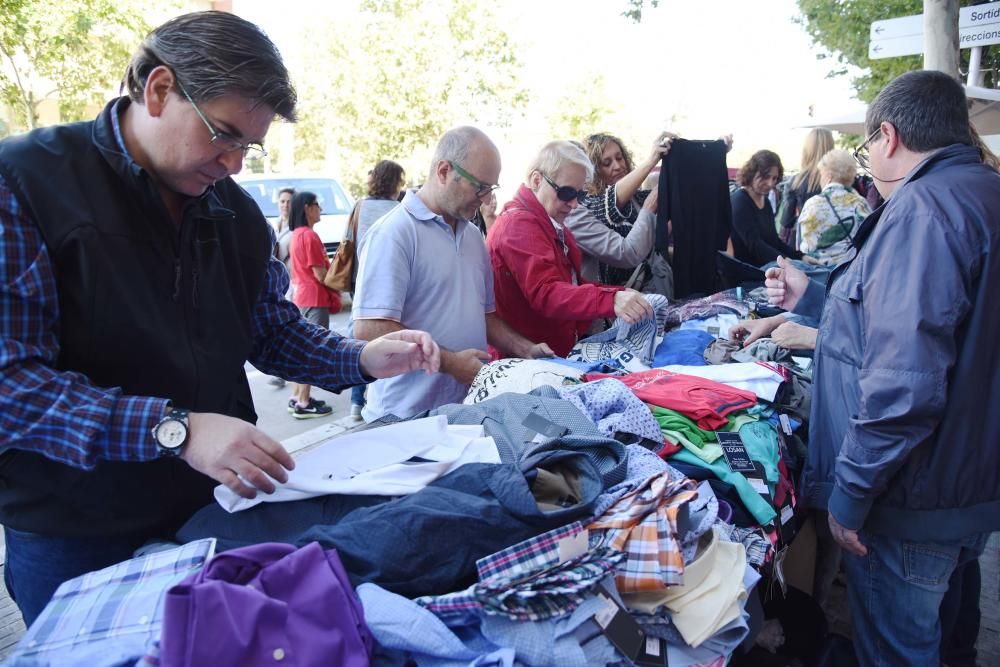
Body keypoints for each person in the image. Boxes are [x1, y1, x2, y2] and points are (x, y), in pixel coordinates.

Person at [0, 11, 439, 626]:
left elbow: (268, 328)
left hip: (210, 506)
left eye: (247, 146)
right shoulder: (23, 182)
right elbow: (10, 385)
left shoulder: (232, 211)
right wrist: (175, 430)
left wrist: (361, 359)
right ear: (158, 90)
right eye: (223, 135)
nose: (234, 164)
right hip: (74, 527)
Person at [764, 70, 1000, 666]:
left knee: (899, 650)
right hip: (962, 482)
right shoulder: (981, 192)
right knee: (945, 633)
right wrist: (815, 300)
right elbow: (922, 327)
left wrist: (850, 496)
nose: (868, 159)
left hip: (912, 495)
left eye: (869, 146)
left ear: (887, 136)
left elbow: (903, 382)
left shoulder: (923, 208)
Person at [353, 126, 553, 422]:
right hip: (405, 416)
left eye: (491, 189)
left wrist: (526, 349)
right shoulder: (395, 233)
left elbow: (482, 315)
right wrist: (449, 362)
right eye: (479, 187)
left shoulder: (473, 236)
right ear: (444, 171)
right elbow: (369, 329)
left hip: (466, 410)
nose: (486, 200)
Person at [488, 140, 654, 357]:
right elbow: (547, 293)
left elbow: (570, 283)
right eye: (566, 193)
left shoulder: (546, 220)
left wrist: (617, 293)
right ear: (537, 180)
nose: (574, 203)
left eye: (579, 194)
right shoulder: (519, 225)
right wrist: (610, 299)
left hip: (550, 354)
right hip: (530, 362)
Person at [563, 132, 673, 286]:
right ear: (592, 171)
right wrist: (652, 160)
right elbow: (609, 204)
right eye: (606, 163)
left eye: (619, 158)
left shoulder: (638, 199)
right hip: (610, 302)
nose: (617, 166)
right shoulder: (586, 205)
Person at [346, 160, 405, 419]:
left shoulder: (360, 206)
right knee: (385, 342)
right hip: (389, 287)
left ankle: (356, 402)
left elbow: (348, 241)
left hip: (360, 283)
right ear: (395, 182)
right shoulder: (401, 211)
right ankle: (376, 397)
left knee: (359, 342)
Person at [288, 190, 340, 419]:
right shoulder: (309, 236)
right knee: (312, 350)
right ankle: (304, 401)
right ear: (308, 208)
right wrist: (340, 284)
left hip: (301, 296)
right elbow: (320, 274)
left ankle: (298, 395)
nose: (320, 209)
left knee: (301, 348)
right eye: (317, 205)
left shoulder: (296, 234)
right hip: (314, 298)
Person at [730, 150, 816, 267]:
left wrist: (800, 256)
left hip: (766, 269)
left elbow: (774, 241)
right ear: (752, 173)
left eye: (774, 178)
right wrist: (786, 261)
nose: (770, 183)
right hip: (748, 273)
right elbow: (754, 245)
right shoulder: (739, 201)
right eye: (765, 177)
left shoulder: (765, 201)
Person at [796, 149, 871, 266]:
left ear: (828, 176)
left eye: (821, 174)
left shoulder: (812, 203)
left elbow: (803, 246)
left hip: (816, 273)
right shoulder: (860, 203)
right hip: (848, 272)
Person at [777, 128, 834, 244]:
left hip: (804, 241)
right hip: (835, 241)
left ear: (807, 150)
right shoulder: (844, 179)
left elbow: (786, 221)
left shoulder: (796, 181)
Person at [268, 185, 296, 388]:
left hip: (293, 284)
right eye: (282, 201)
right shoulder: (275, 225)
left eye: (289, 201)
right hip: (278, 286)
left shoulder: (296, 230)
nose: (285, 205)